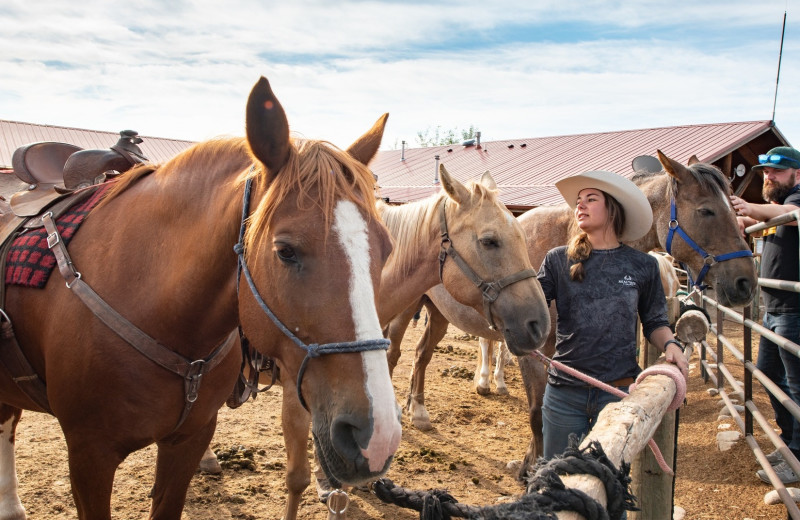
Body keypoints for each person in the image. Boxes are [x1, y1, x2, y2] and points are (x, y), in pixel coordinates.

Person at [537, 170, 689, 459]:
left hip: (616, 395)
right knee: (555, 481)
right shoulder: (557, 259)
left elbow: (655, 321)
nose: (579, 205)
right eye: (578, 200)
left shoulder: (643, 266)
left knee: (610, 487)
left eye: (590, 199)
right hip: (563, 395)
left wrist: (670, 345)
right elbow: (531, 306)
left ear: (613, 210)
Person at [730, 146, 800, 484]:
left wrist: (750, 208)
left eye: (777, 171)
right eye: (765, 172)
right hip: (775, 308)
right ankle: (790, 442)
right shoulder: (772, 209)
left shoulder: (796, 200)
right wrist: (739, 217)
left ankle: (798, 456)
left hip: (795, 310)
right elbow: (762, 217)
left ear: (797, 174)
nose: (768, 177)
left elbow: (788, 212)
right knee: (771, 375)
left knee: (797, 387)